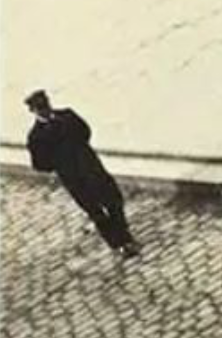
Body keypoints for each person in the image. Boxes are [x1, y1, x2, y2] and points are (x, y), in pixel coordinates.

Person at [24, 90, 139, 257]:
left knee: (114, 202)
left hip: (93, 168)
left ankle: (126, 237)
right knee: (96, 212)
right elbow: (40, 164)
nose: (45, 110)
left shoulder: (67, 116)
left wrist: (82, 154)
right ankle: (119, 244)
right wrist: (60, 164)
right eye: (40, 108)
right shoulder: (36, 136)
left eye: (46, 105)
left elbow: (86, 132)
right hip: (75, 180)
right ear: (33, 111)